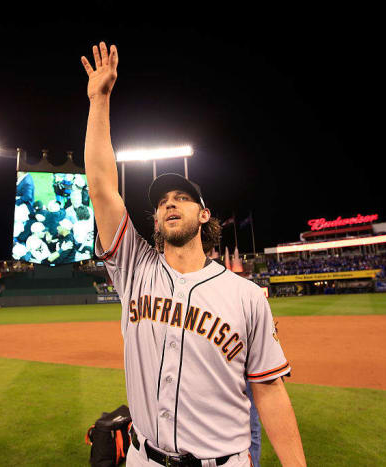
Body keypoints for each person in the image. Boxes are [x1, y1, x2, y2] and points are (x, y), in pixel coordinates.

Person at [81, 41, 305, 467]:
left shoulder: (247, 296)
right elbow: (101, 188)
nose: (169, 203)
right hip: (143, 459)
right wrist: (99, 99)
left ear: (204, 215)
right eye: (163, 200)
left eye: (181, 197)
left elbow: (270, 392)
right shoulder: (134, 268)